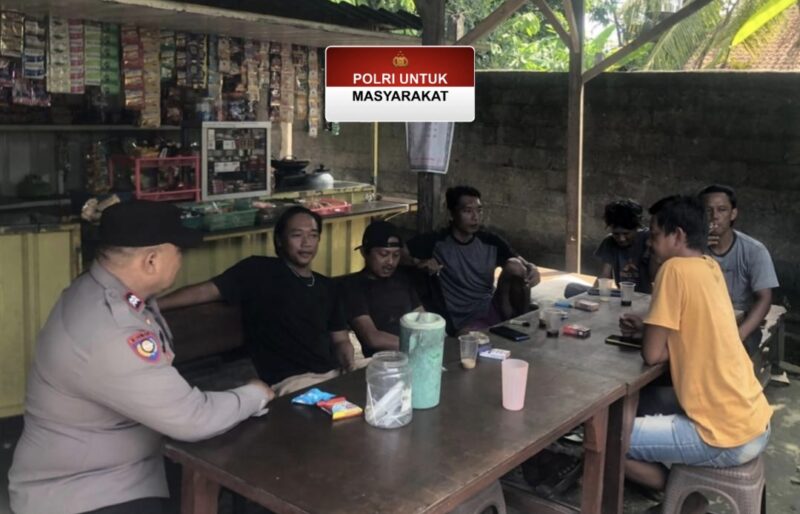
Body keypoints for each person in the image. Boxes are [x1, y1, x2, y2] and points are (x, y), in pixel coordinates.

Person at [8, 201, 274, 514]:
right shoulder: (111, 329)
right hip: (87, 493)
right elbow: (192, 419)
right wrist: (254, 394)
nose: (181, 260)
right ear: (151, 260)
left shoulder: (96, 289)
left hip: (104, 471)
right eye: (178, 251)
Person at [619, 195, 772, 514]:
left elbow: (652, 354)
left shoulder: (673, 269)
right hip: (752, 419)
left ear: (677, 235)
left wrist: (652, 335)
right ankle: (684, 495)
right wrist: (651, 328)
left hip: (725, 434)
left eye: (655, 235)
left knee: (610, 441)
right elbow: (696, 330)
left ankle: (686, 498)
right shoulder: (709, 266)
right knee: (645, 403)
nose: (650, 244)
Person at [158, 206, 354, 395]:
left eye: (313, 235)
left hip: (332, 373)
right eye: (297, 235)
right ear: (279, 240)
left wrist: (349, 362)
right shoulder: (258, 270)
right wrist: (153, 305)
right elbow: (205, 291)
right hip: (292, 381)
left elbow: (341, 339)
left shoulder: (327, 286)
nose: (306, 243)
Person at [405, 185, 540, 334]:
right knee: (471, 339)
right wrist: (417, 262)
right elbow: (399, 251)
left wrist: (532, 269)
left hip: (492, 306)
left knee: (516, 266)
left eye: (479, 210)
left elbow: (521, 262)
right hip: (463, 319)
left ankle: (518, 321)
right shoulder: (437, 242)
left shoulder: (489, 240)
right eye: (468, 211)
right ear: (452, 214)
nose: (475, 217)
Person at [699, 184, 779, 355]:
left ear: (733, 214)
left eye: (722, 210)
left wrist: (737, 336)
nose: (715, 216)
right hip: (700, 322)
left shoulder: (754, 250)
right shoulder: (693, 248)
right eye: (708, 210)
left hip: (739, 324)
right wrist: (695, 249)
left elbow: (764, 298)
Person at [340, 220, 423, 356]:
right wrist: (415, 346)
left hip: (415, 353)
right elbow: (372, 338)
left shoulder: (403, 280)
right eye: (383, 254)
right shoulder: (353, 287)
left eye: (396, 255)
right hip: (382, 360)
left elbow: (421, 317)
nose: (391, 262)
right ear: (364, 252)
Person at [594, 199, 654, 293]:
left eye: (626, 234)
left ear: (637, 227)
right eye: (616, 234)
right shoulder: (609, 242)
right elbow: (604, 275)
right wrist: (593, 295)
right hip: (624, 295)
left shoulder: (649, 240)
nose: (621, 239)